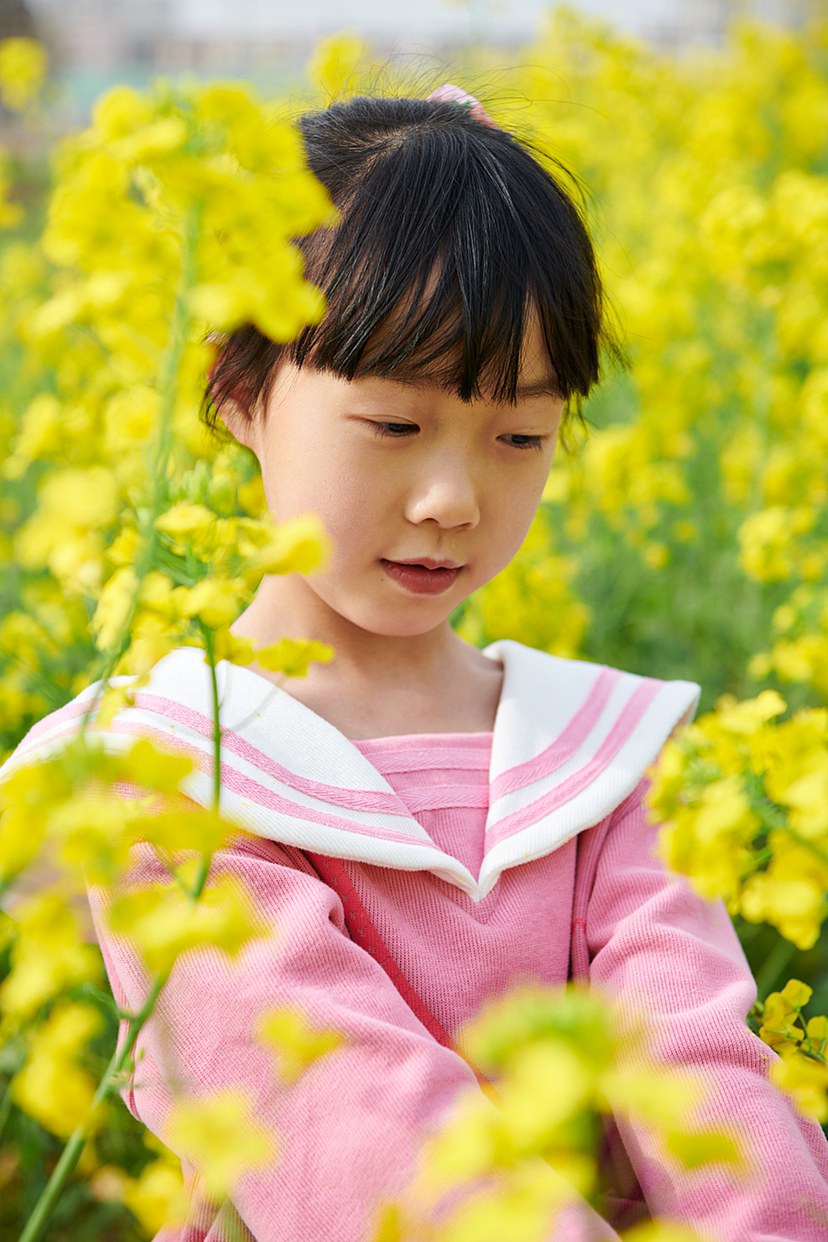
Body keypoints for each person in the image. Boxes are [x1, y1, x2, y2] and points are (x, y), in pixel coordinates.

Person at [7, 86, 828, 1242]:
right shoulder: (167, 763)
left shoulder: (600, 746)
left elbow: (696, 1051)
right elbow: (331, 1109)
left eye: (521, 438)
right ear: (240, 395)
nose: (454, 500)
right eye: (395, 427)